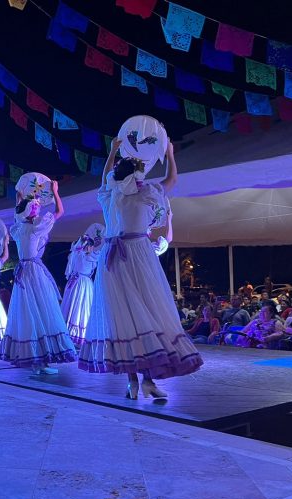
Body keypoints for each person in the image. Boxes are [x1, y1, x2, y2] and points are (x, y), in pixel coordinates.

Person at [79, 133, 202, 399]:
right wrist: (169, 154)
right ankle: (144, 379)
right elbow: (171, 180)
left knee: (124, 319)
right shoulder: (144, 193)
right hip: (136, 253)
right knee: (145, 313)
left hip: (113, 258)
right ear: (137, 174)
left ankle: (135, 381)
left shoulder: (110, 194)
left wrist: (112, 151)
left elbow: (105, 176)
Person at [0, 178, 76, 374]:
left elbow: (18, 206)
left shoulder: (18, 227)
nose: (37, 210)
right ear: (29, 211)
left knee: (29, 312)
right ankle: (40, 359)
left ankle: (37, 359)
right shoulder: (33, 226)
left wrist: (21, 192)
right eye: (34, 208)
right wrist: (55, 191)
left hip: (24, 271)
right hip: (31, 271)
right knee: (40, 310)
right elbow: (59, 212)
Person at [61, 224, 103, 347]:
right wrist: (82, 239)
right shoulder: (77, 254)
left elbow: (100, 252)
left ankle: (80, 336)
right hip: (75, 283)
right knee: (71, 305)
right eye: (88, 245)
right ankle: (68, 334)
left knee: (81, 307)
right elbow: (75, 249)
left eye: (90, 245)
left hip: (84, 285)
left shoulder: (93, 257)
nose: (89, 247)